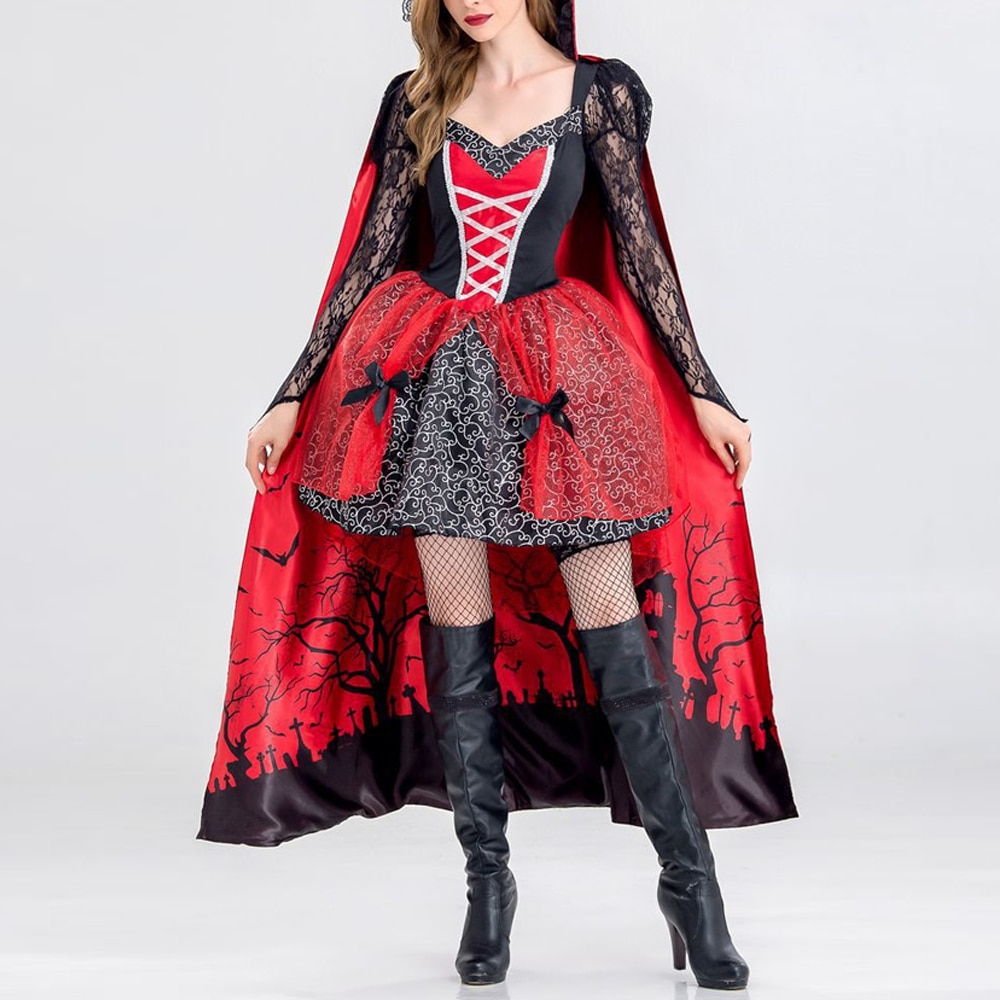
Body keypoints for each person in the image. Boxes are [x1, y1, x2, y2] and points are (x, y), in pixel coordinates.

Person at [198, 0, 798, 991]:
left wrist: (703, 388)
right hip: (436, 382)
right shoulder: (418, 100)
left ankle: (691, 887)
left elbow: (641, 252)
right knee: (459, 633)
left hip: (559, 383)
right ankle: (487, 883)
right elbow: (370, 256)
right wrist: (292, 391)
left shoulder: (598, 94)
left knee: (615, 637)